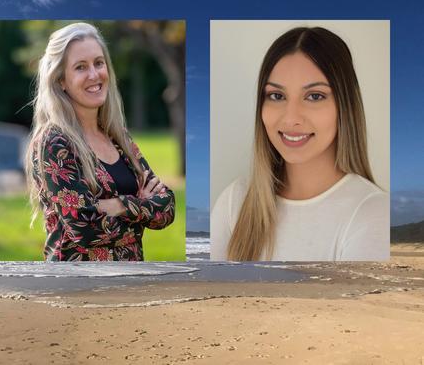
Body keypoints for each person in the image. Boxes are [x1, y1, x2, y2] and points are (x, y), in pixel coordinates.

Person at [210, 27, 388, 261]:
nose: (291, 118)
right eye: (277, 96)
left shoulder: (374, 213)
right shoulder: (235, 202)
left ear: (345, 106)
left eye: (314, 96)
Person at [25, 22, 175, 261]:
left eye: (98, 63)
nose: (94, 75)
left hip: (130, 282)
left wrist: (118, 206)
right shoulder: (54, 143)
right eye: (80, 67)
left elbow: (167, 208)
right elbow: (84, 230)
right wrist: (141, 206)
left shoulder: (118, 137)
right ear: (61, 80)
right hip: (76, 286)